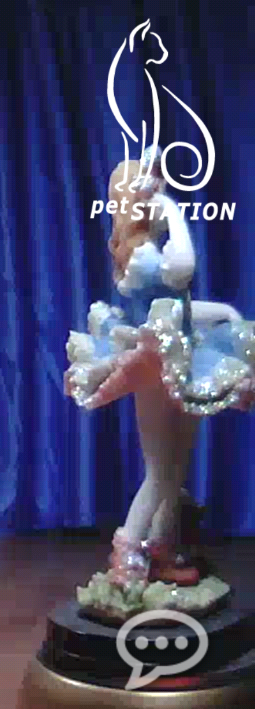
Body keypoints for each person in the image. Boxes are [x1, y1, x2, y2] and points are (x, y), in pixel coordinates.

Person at [64, 144, 255, 588]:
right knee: (159, 469)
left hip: (184, 356)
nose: (163, 194)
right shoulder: (143, 257)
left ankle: (162, 544)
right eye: (155, 190)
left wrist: (224, 313)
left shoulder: (147, 251)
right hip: (155, 363)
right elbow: (183, 268)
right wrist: (171, 208)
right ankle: (127, 549)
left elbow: (180, 306)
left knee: (177, 464)